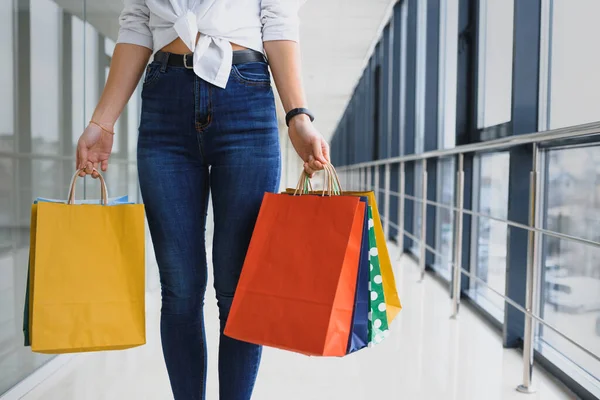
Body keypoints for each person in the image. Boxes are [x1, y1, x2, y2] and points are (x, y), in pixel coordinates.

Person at [75, 1, 330, 399]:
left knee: (238, 289)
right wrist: (101, 123)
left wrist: (299, 116)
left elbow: (278, 21)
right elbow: (137, 24)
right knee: (179, 288)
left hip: (245, 94)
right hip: (165, 101)